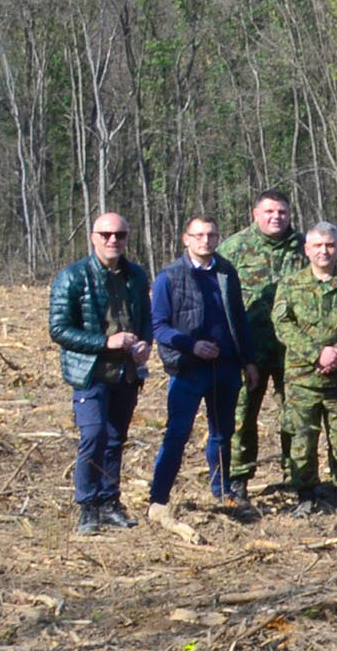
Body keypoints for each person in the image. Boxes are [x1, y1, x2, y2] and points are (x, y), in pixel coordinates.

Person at [51, 214, 153, 536]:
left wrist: (144, 344)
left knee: (115, 439)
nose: (113, 240)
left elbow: (145, 319)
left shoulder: (135, 276)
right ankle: (87, 506)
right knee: (93, 435)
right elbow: (58, 329)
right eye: (106, 234)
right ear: (93, 237)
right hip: (90, 372)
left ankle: (110, 503)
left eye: (120, 235)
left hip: (126, 372)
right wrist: (104, 342)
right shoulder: (72, 277)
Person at [149, 216, 255, 520]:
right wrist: (190, 345)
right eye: (198, 235)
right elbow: (159, 326)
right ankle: (159, 498)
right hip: (187, 370)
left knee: (222, 434)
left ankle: (222, 494)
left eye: (210, 235)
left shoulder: (225, 272)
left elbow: (239, 319)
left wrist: (248, 360)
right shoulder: (169, 276)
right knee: (177, 434)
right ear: (186, 239)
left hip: (226, 368)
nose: (204, 241)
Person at [272, 223, 337, 515]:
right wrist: (317, 354)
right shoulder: (291, 285)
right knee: (301, 441)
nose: (324, 251)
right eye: (317, 245)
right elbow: (283, 325)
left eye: (330, 245)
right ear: (307, 250)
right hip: (302, 380)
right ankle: (306, 495)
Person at [218, 191, 302, 504]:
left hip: (292, 350)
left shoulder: (303, 247)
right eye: (269, 211)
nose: (276, 217)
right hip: (247, 349)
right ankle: (238, 479)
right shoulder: (234, 248)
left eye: (282, 211)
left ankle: (298, 477)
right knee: (241, 416)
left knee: (294, 417)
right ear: (256, 214)